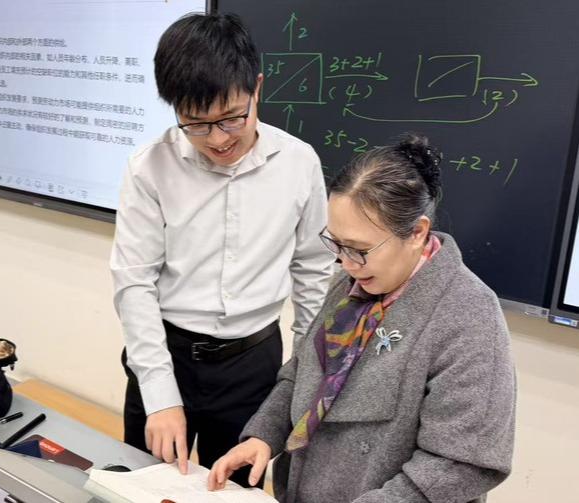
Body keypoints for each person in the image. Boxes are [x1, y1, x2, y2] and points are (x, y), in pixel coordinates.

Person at [208, 134, 516, 502]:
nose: (346, 263)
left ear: (417, 232)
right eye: (336, 244)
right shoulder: (350, 285)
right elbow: (301, 373)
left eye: (360, 250)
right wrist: (263, 436)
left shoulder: (468, 314)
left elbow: (462, 462)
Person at [109, 13, 334, 485]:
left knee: (231, 491)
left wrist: (302, 376)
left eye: (232, 118)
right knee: (143, 485)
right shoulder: (150, 167)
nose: (218, 139)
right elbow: (134, 281)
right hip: (165, 354)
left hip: (252, 364)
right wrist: (160, 396)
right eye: (196, 124)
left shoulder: (299, 163)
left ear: (257, 88)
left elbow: (313, 272)